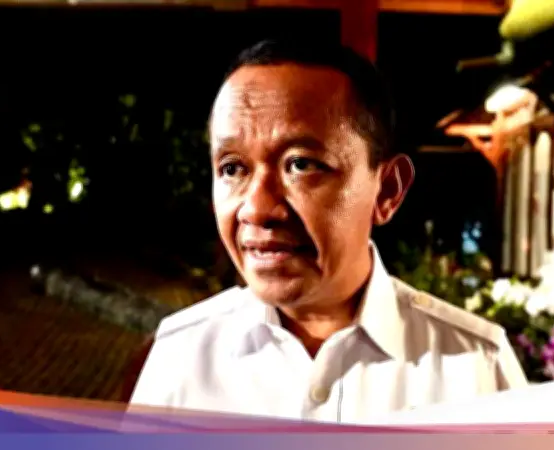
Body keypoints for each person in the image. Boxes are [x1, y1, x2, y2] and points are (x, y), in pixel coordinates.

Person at [128, 39, 528, 423]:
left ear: (387, 190)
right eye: (233, 168)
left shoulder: (476, 369)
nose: (258, 208)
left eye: (301, 165)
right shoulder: (181, 356)